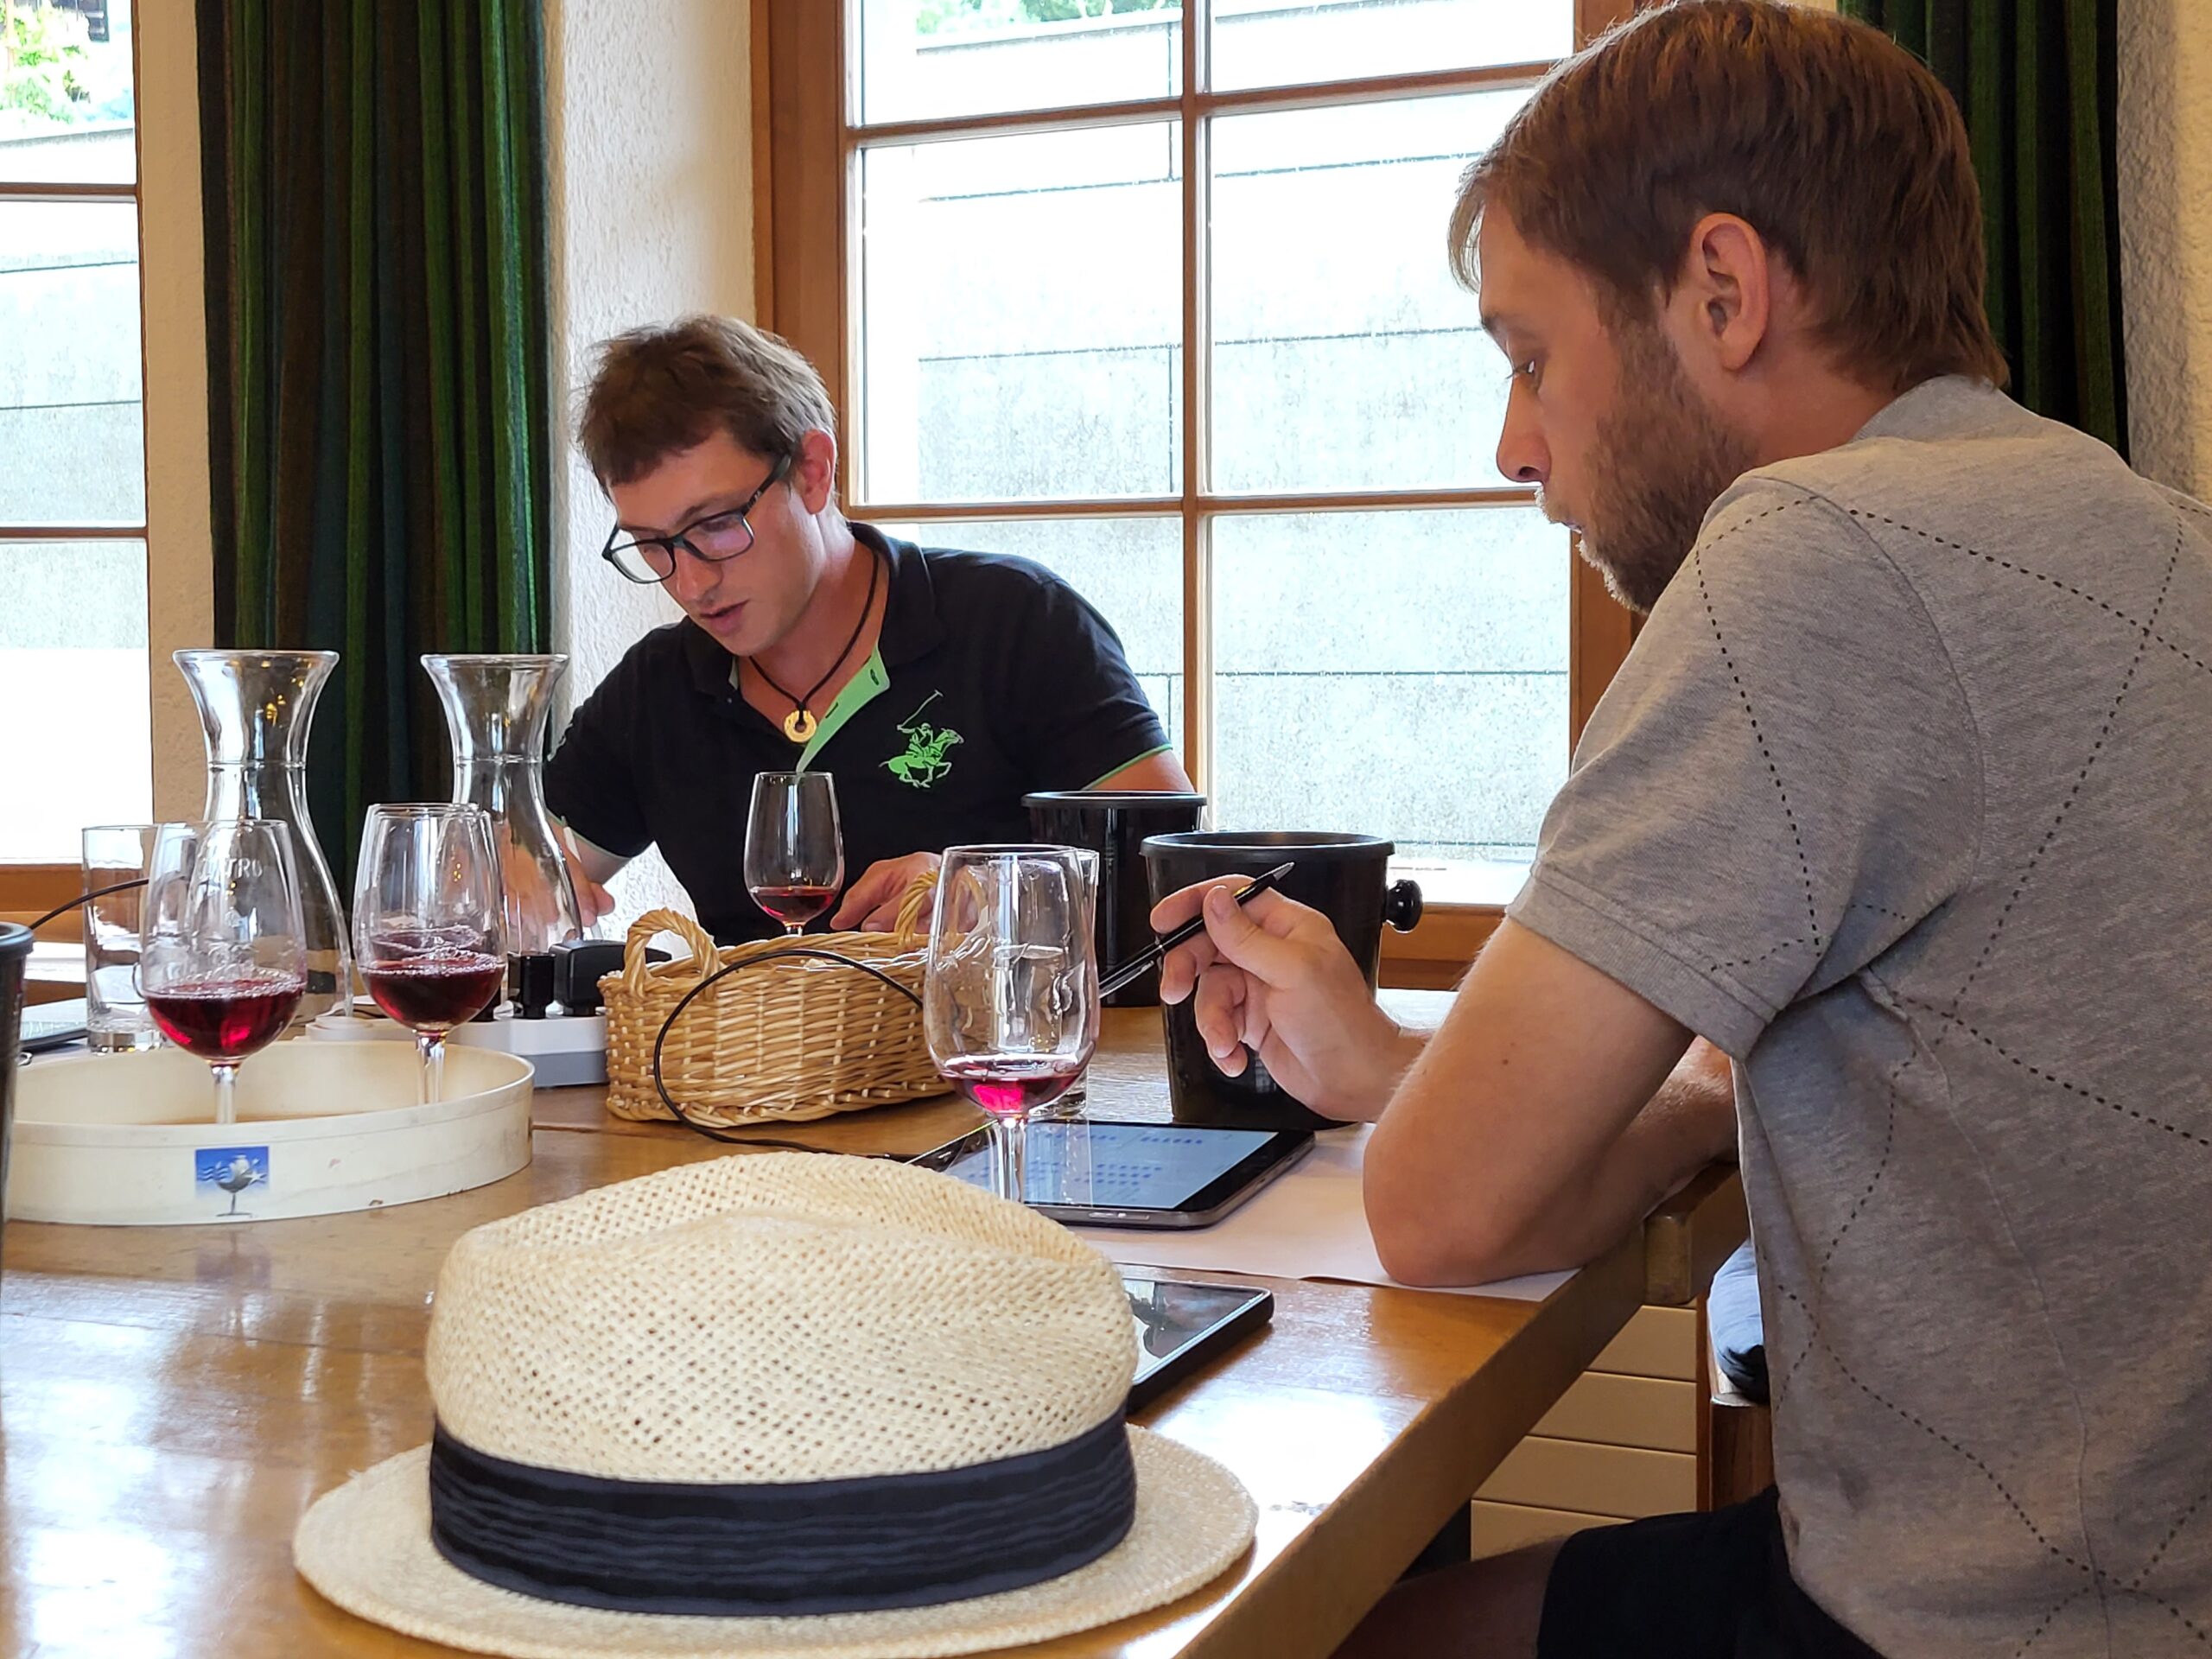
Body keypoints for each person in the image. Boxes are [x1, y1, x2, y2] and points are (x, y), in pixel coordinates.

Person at [1154, 4, 2212, 1655]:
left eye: (1530, 356)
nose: (1515, 446)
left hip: (1980, 1620)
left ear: (1722, 291)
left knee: (1296, 1632)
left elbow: (1441, 1216)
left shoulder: (1816, 551)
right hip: (2124, 1567)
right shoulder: (2151, 528)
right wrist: (1428, 1075)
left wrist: (1626, 1106)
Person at [543, 315, 1191, 943]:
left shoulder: (1017, 622)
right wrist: (517, 876)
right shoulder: (657, 687)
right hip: (755, 1026)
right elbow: (537, 876)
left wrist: (990, 898)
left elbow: (1174, 889)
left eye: (715, 526)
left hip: (997, 1021)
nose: (689, 584)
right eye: (652, 544)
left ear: (813, 470)